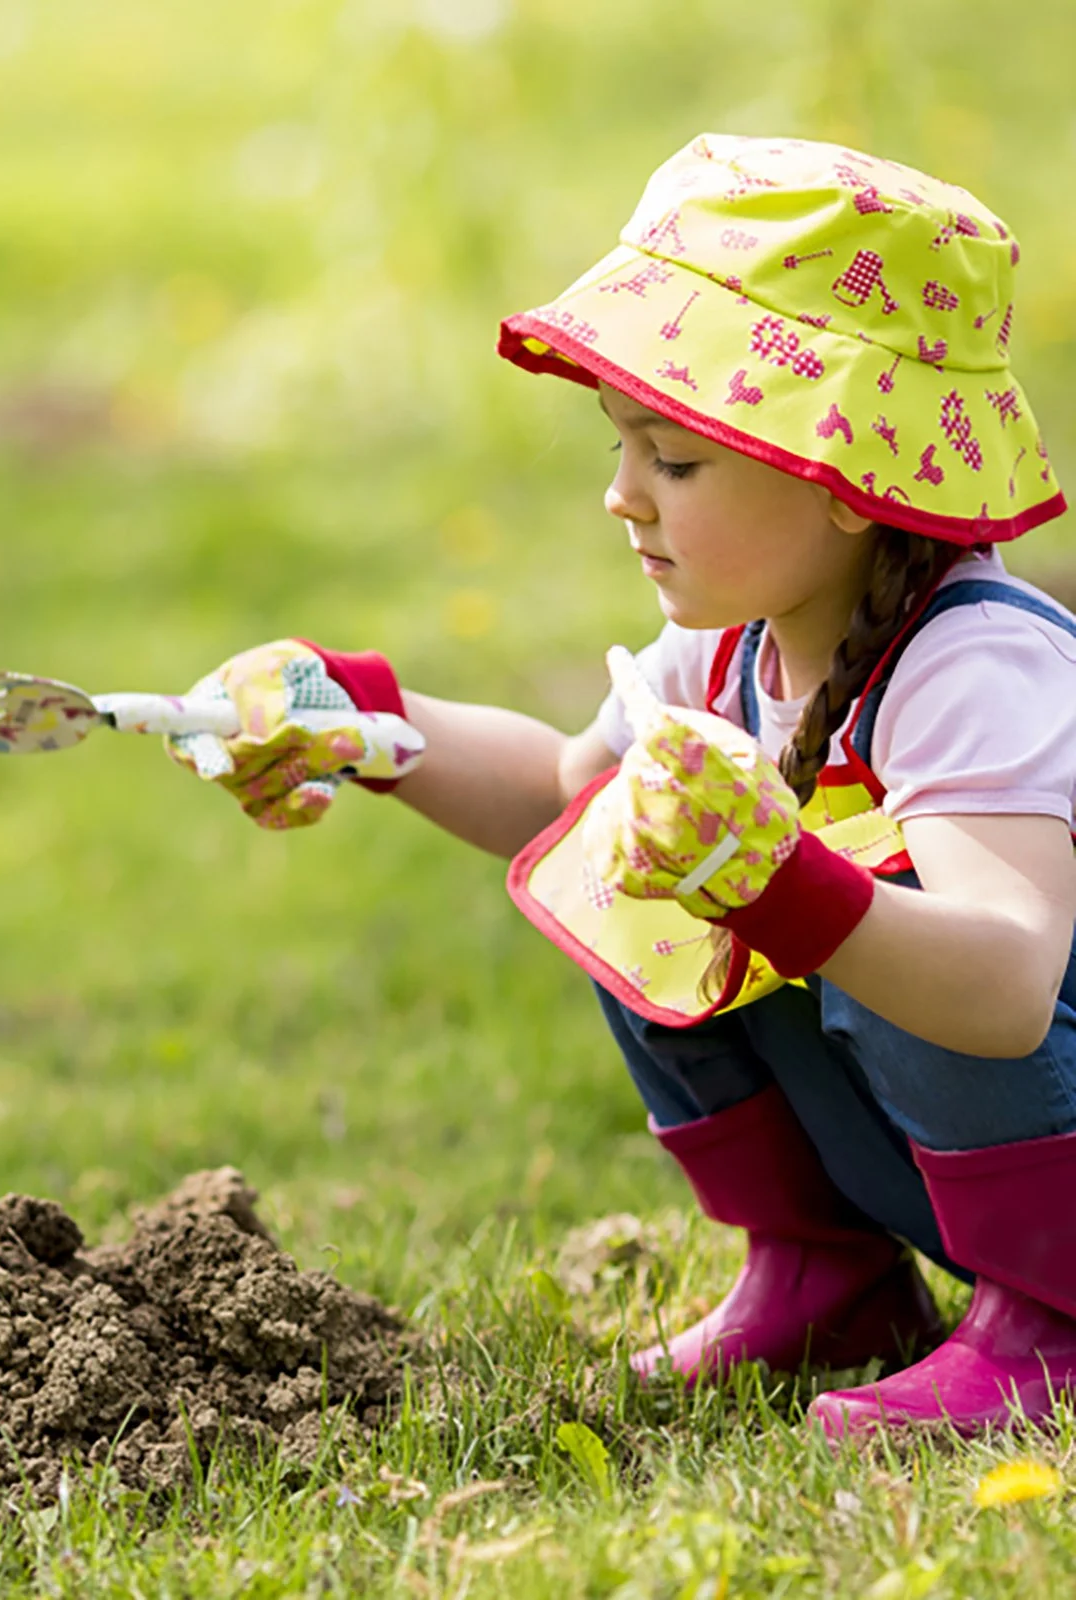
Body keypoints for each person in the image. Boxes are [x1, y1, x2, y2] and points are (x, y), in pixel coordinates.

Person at [164, 133, 1076, 1439]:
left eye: (677, 460)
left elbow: (1001, 986)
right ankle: (829, 1280)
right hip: (962, 1138)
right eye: (624, 445)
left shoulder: (972, 665)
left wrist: (780, 886)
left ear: (848, 478)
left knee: (848, 893)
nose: (621, 496)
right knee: (626, 849)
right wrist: (368, 718)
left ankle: (1054, 1319)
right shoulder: (728, 647)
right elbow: (559, 787)